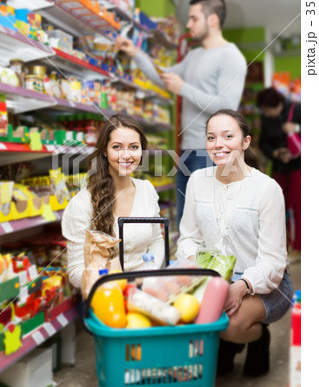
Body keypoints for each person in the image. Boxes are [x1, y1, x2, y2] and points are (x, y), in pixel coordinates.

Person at [176, 109, 293, 377]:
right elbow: (189, 238)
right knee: (183, 313)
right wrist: (198, 272)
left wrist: (241, 286)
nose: (218, 144)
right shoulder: (196, 181)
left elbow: (274, 261)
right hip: (214, 276)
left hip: (264, 283)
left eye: (228, 136)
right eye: (211, 137)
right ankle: (226, 346)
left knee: (228, 323)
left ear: (245, 142)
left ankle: (256, 336)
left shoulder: (267, 189)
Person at [116, 0, 247, 227]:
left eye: (194, 19)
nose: (189, 25)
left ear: (213, 20)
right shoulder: (194, 56)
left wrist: (184, 88)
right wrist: (136, 54)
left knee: (208, 224)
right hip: (187, 151)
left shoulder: (231, 57)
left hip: (211, 154)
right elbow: (164, 77)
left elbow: (227, 107)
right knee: (186, 223)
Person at [62, 114, 164, 289]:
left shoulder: (147, 189)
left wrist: (149, 275)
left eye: (133, 147)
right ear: (104, 151)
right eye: (117, 147)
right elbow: (75, 271)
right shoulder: (82, 204)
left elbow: (156, 240)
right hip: (106, 296)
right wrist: (112, 283)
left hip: (146, 289)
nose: (126, 155)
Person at [257, 87, 301, 252]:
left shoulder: (297, 109)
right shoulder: (266, 118)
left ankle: (298, 246)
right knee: (278, 205)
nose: (266, 114)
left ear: (277, 105)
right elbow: (263, 142)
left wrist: (295, 129)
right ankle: (283, 245)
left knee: (297, 206)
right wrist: (276, 153)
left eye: (268, 110)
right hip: (279, 167)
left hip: (298, 167)